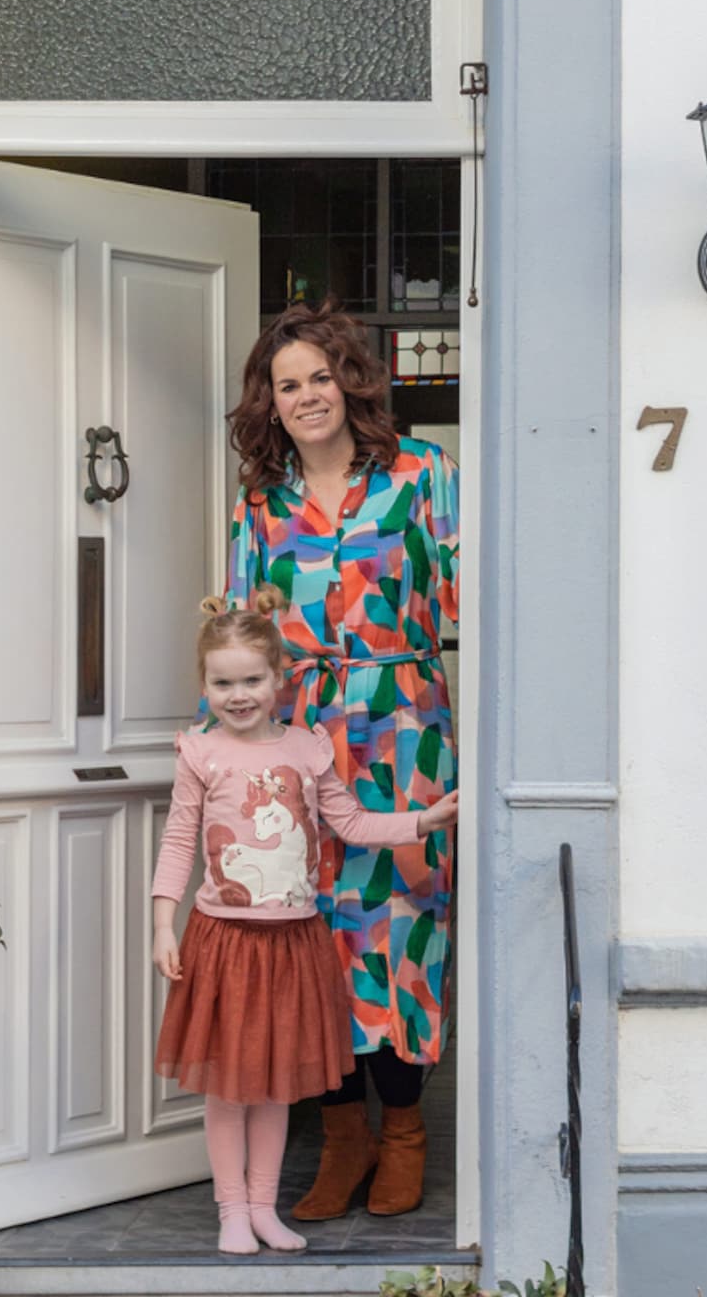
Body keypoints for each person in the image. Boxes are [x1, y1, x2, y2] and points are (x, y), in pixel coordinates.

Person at [224, 300, 458, 1219]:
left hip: (406, 734)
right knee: (309, 938)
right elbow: (243, 633)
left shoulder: (423, 473)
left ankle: (403, 1129)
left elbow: (472, 590)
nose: (307, 396)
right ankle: (341, 1139)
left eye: (320, 376)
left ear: (349, 381)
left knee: (404, 934)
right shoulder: (261, 502)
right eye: (288, 385)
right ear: (269, 404)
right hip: (300, 741)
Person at [152, 592, 459, 1255]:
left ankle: (264, 1208)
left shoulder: (306, 748)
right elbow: (179, 840)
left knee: (273, 1089)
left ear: (281, 677)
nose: (239, 695)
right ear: (204, 685)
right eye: (223, 682)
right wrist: (160, 923)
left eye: (252, 680)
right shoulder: (200, 753)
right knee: (229, 1087)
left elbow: (348, 824)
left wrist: (421, 822)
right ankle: (231, 1208)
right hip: (224, 941)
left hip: (293, 942)